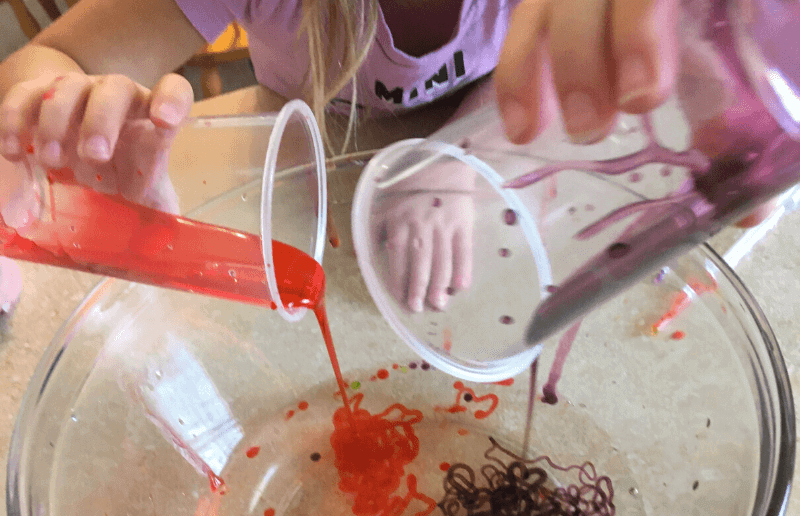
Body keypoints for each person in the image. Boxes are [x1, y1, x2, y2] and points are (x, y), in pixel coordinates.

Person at [0, 0, 777, 315]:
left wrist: (452, 156)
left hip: (483, 165)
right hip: (296, 168)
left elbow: (543, 76)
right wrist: (55, 113)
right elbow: (53, 54)